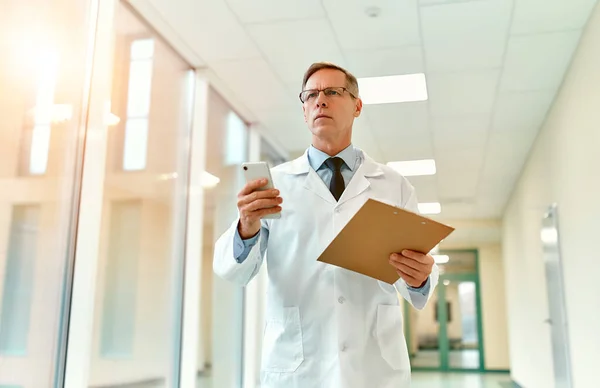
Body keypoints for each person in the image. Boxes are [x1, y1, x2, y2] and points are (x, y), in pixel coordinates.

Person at [213, 62, 439, 388]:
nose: (320, 100)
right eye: (311, 95)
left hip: (373, 366)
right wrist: (245, 228)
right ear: (304, 111)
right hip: (298, 367)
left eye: (333, 92)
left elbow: (416, 278)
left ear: (357, 105)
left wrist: (420, 279)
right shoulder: (275, 185)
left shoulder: (393, 185)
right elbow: (234, 271)